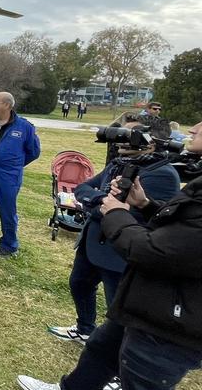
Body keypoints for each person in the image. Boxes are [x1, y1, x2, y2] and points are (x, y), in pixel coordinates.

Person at [17, 119, 202, 390]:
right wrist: (147, 205)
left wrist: (115, 212)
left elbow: (153, 250)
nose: (192, 130)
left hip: (169, 322)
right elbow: (178, 229)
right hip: (144, 305)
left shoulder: (165, 174)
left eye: (200, 127)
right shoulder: (134, 166)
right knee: (100, 350)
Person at [47, 119, 180, 347]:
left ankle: (118, 356)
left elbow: (144, 216)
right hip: (92, 243)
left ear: (151, 142)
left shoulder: (163, 174)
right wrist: (102, 201)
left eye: (130, 134)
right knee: (79, 284)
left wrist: (102, 207)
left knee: (117, 307)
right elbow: (83, 188)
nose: (121, 138)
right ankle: (84, 328)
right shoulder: (119, 163)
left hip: (119, 252)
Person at [0, 91, 41, 256]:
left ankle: (9, 245)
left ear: (7, 105)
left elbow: (34, 152)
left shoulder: (24, 127)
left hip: (8, 175)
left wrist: (14, 164)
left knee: (8, 210)